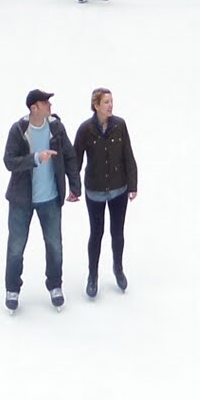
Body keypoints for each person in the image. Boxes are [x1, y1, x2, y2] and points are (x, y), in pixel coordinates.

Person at [2, 90, 78, 313]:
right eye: (45, 102)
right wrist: (35, 158)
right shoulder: (19, 130)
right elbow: (9, 161)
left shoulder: (56, 128)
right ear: (33, 107)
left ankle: (55, 285)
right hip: (21, 199)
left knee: (55, 245)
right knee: (16, 246)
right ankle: (12, 289)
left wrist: (75, 186)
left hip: (50, 198)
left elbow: (70, 155)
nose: (49, 105)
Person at [70, 87, 139, 299]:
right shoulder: (85, 129)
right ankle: (93, 275)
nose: (110, 105)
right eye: (106, 102)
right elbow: (76, 160)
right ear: (96, 105)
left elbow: (128, 154)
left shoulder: (120, 125)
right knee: (96, 233)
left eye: (111, 101)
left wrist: (133, 184)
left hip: (119, 188)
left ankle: (118, 268)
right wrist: (74, 188)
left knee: (117, 232)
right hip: (95, 190)